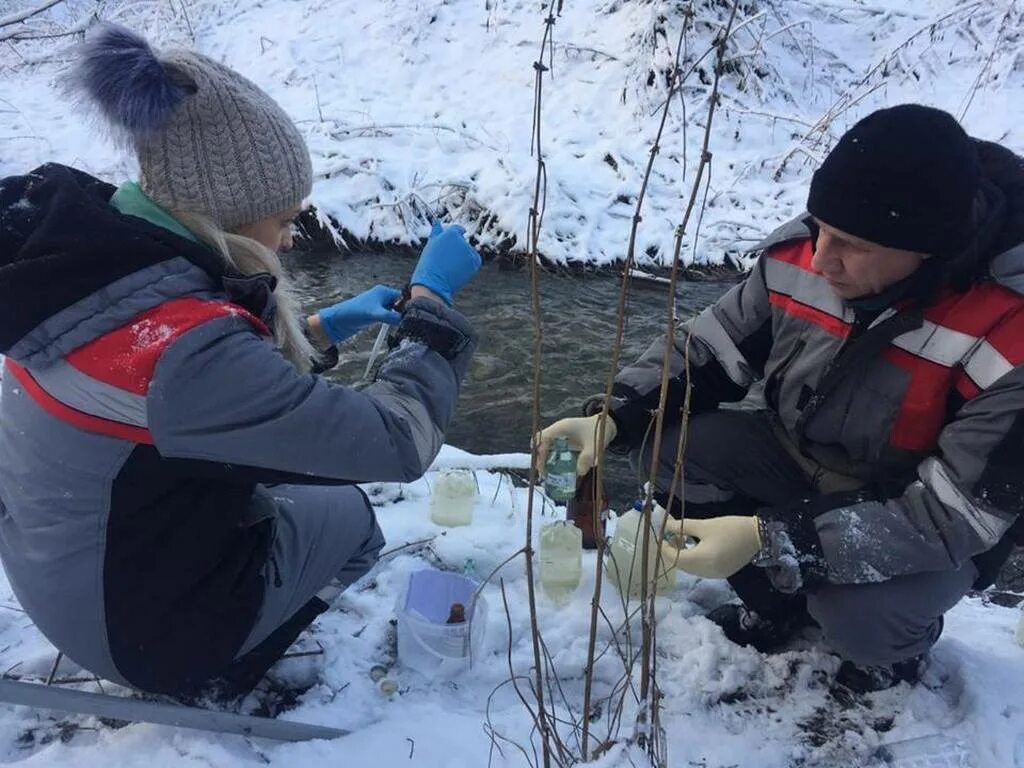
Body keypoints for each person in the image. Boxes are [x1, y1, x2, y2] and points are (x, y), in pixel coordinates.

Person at [0, 24, 481, 700]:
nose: (290, 236)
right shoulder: (186, 355)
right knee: (351, 518)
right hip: (132, 634)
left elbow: (216, 400)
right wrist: (431, 303)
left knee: (288, 490)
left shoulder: (89, 273)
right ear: (228, 213)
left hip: (65, 572)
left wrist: (323, 326)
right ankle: (223, 671)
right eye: (283, 217)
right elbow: (398, 444)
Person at [538, 104, 1024, 693]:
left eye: (850, 244)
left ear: (927, 250)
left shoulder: (1010, 329)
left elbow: (957, 515)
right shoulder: (807, 254)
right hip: (801, 460)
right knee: (671, 448)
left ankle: (888, 652)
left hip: (919, 510)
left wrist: (776, 539)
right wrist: (614, 416)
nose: (820, 259)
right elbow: (709, 350)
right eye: (819, 228)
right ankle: (779, 606)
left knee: (861, 618)